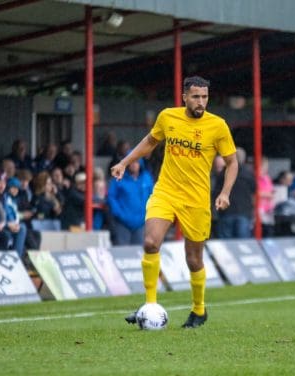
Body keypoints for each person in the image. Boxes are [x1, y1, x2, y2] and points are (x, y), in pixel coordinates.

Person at [112, 76, 238, 328]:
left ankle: (199, 310)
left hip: (196, 199)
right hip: (166, 192)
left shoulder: (218, 126)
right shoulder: (168, 117)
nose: (200, 102)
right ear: (184, 97)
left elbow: (232, 162)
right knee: (150, 243)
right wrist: (125, 162)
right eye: (195, 97)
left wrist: (225, 192)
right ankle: (149, 304)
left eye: (204, 97)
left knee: (194, 260)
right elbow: (150, 141)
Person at [107, 157, 154, 245]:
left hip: (141, 223)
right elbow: (111, 197)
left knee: (139, 253)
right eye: (131, 162)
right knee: (122, 253)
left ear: (140, 164)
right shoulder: (119, 177)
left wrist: (148, 214)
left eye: (136, 162)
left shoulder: (147, 178)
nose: (134, 164)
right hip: (122, 223)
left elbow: (153, 197)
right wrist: (119, 213)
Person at [215, 147, 255, 238]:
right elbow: (254, 190)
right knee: (242, 244)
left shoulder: (223, 173)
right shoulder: (248, 174)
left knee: (225, 244)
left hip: (226, 212)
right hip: (244, 212)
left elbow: (216, 191)